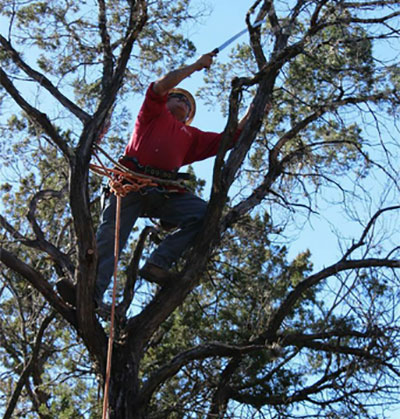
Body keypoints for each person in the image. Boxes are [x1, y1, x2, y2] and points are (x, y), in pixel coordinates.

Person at [57, 52, 252, 308]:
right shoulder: (152, 113)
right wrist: (195, 66)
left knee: (206, 215)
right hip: (128, 184)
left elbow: (232, 136)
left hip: (163, 192)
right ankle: (90, 294)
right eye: (178, 95)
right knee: (110, 236)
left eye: (188, 102)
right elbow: (160, 86)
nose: (182, 100)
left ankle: (158, 263)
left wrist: (254, 108)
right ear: (167, 100)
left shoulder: (191, 136)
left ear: (190, 115)